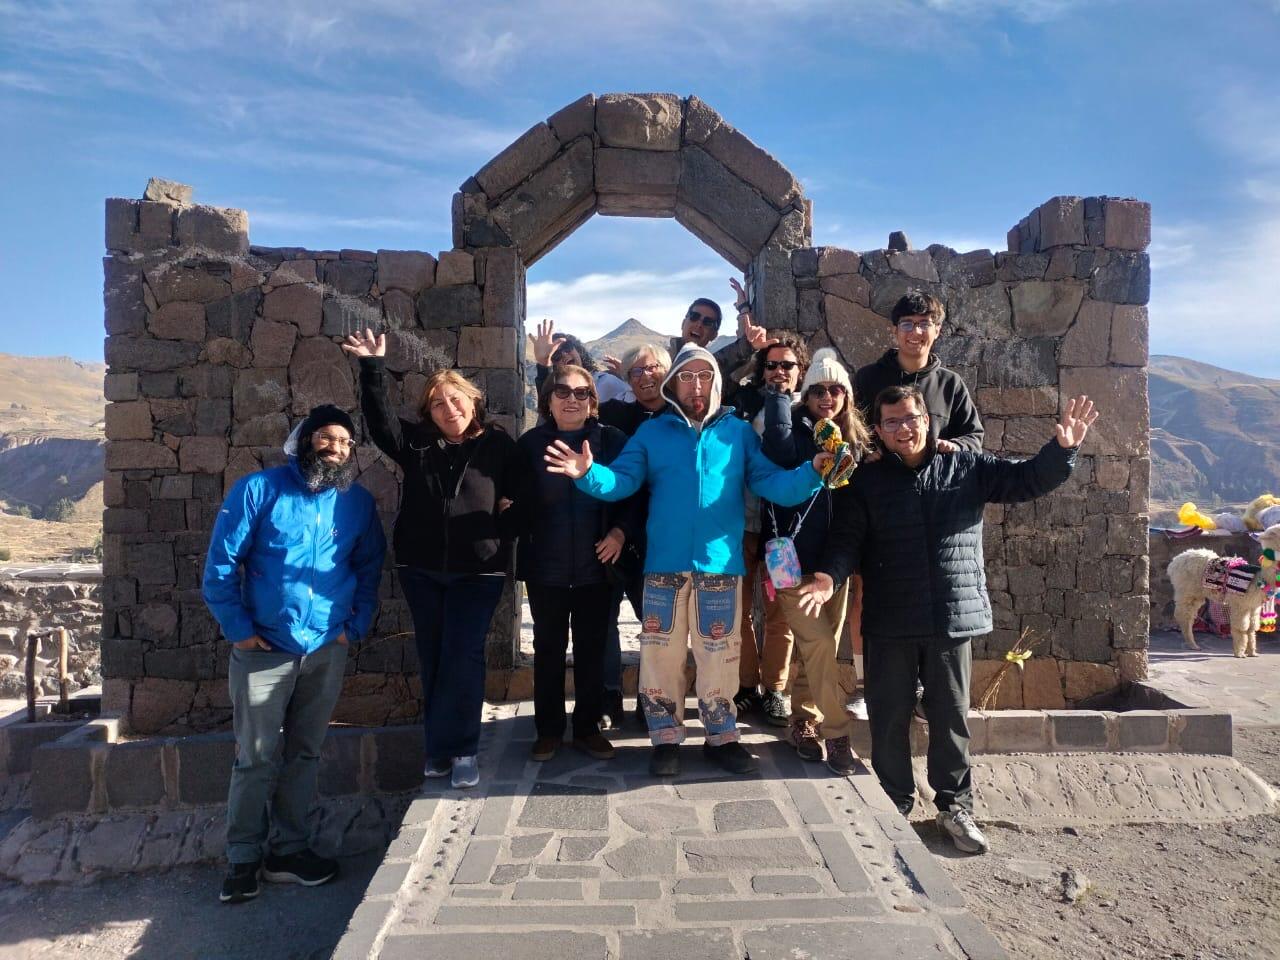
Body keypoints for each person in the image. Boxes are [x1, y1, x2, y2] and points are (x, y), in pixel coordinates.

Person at [797, 386, 1098, 853]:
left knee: (950, 718)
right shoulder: (867, 481)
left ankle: (955, 806)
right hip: (891, 620)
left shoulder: (966, 466)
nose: (904, 429)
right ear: (879, 431)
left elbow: (1025, 480)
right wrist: (827, 579)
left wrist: (1062, 450)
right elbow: (846, 541)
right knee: (888, 715)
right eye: (892, 422)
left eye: (911, 418)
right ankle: (894, 801)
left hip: (951, 616)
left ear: (928, 419)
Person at [544, 343, 833, 777]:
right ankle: (665, 738)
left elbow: (772, 482)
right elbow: (622, 481)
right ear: (672, 384)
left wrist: (812, 471)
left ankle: (722, 737)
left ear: (715, 382)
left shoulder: (737, 434)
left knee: (721, 656)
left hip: (720, 566)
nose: (696, 385)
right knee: (661, 657)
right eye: (686, 376)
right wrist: (588, 474)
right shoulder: (652, 433)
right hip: (663, 567)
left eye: (704, 375)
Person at [203, 404, 386, 905]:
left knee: (305, 752)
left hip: (325, 647)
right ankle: (243, 858)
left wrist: (354, 626)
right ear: (305, 440)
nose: (337, 448)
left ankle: (288, 851)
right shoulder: (258, 490)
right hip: (264, 649)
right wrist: (239, 631)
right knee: (255, 757)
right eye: (327, 437)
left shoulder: (357, 504)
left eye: (346, 442)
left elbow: (370, 567)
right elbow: (221, 565)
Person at [343, 329, 520, 791]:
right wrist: (372, 368)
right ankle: (438, 749)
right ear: (429, 412)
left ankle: (462, 750)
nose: (449, 409)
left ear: (473, 401)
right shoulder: (417, 443)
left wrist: (507, 523)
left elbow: (523, 495)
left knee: (462, 654)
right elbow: (380, 423)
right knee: (433, 655)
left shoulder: (499, 445)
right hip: (421, 568)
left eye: (455, 399)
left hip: (479, 571)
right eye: (438, 404)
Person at [513, 365, 637, 761]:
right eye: (563, 392)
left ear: (592, 401)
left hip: (596, 567)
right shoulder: (530, 445)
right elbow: (512, 495)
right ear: (548, 400)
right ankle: (548, 731)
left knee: (592, 650)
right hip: (545, 568)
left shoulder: (612, 441)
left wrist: (619, 533)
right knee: (548, 650)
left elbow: (634, 495)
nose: (572, 399)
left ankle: (587, 728)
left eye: (581, 393)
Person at [760, 348, 870, 773]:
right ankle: (837, 733)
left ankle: (803, 721)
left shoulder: (855, 447)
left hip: (833, 567)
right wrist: (777, 396)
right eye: (818, 390)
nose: (827, 397)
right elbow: (778, 449)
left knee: (817, 649)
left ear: (847, 396)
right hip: (792, 565)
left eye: (835, 389)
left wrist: (835, 571)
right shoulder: (794, 435)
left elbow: (851, 518)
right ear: (805, 395)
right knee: (821, 643)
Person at [733, 335, 810, 728]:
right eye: (772, 365)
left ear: (801, 371)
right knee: (740, 610)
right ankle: (746, 685)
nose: (779, 372)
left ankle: (775, 689)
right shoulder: (746, 407)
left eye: (787, 365)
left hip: (784, 532)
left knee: (782, 613)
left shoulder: (809, 412)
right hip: (744, 524)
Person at [597, 343, 672, 729]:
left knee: (656, 626)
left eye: (652, 368)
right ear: (626, 380)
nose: (645, 377)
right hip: (612, 535)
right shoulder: (614, 415)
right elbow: (567, 413)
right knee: (604, 621)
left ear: (668, 371)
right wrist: (545, 368)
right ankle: (608, 698)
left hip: (659, 538)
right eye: (636, 372)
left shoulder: (682, 418)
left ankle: (652, 699)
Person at [854, 292, 983, 453]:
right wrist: (869, 455)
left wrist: (955, 446)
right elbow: (851, 432)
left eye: (924, 324)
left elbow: (973, 437)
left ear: (937, 331)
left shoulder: (950, 384)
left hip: (937, 469)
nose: (916, 332)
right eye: (907, 324)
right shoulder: (867, 378)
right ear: (895, 330)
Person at [529, 320, 631, 404]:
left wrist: (630, 378)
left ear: (577, 350)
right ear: (554, 365)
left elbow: (635, 406)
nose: (564, 354)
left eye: (567, 346)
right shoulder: (557, 392)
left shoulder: (606, 382)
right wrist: (544, 364)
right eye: (556, 355)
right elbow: (546, 405)